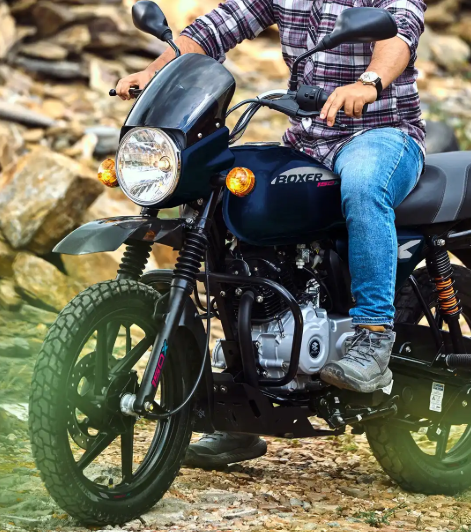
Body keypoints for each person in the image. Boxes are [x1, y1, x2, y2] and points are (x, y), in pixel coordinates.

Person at [116, 0, 426, 469]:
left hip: (382, 134)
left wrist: (369, 82)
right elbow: (220, 25)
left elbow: (399, 33)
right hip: (307, 137)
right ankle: (241, 410)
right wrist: (155, 70)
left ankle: (373, 335)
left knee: (364, 187)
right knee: (228, 195)